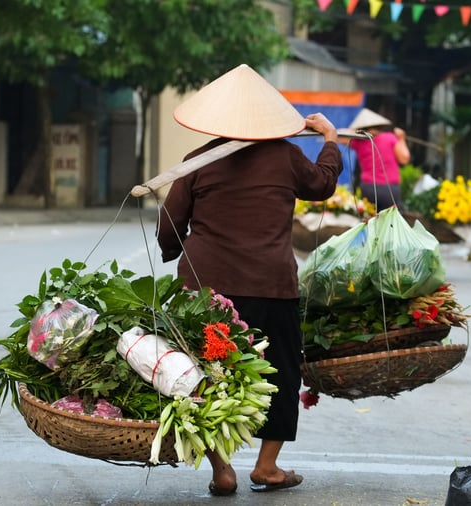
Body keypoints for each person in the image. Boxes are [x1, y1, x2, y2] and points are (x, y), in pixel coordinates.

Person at [155, 64, 342, 496]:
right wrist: (330, 139)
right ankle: (267, 466)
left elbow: (169, 226)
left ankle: (222, 469)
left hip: (204, 290)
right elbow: (323, 183)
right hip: (269, 286)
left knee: (204, 373)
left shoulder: (197, 162)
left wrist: (178, 251)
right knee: (280, 371)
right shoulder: (287, 157)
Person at [345, 108, 411, 211]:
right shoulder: (390, 138)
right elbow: (404, 159)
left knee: (369, 221)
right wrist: (402, 138)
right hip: (389, 189)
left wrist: (357, 132)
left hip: (368, 188)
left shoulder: (358, 141)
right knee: (390, 223)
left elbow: (340, 134)